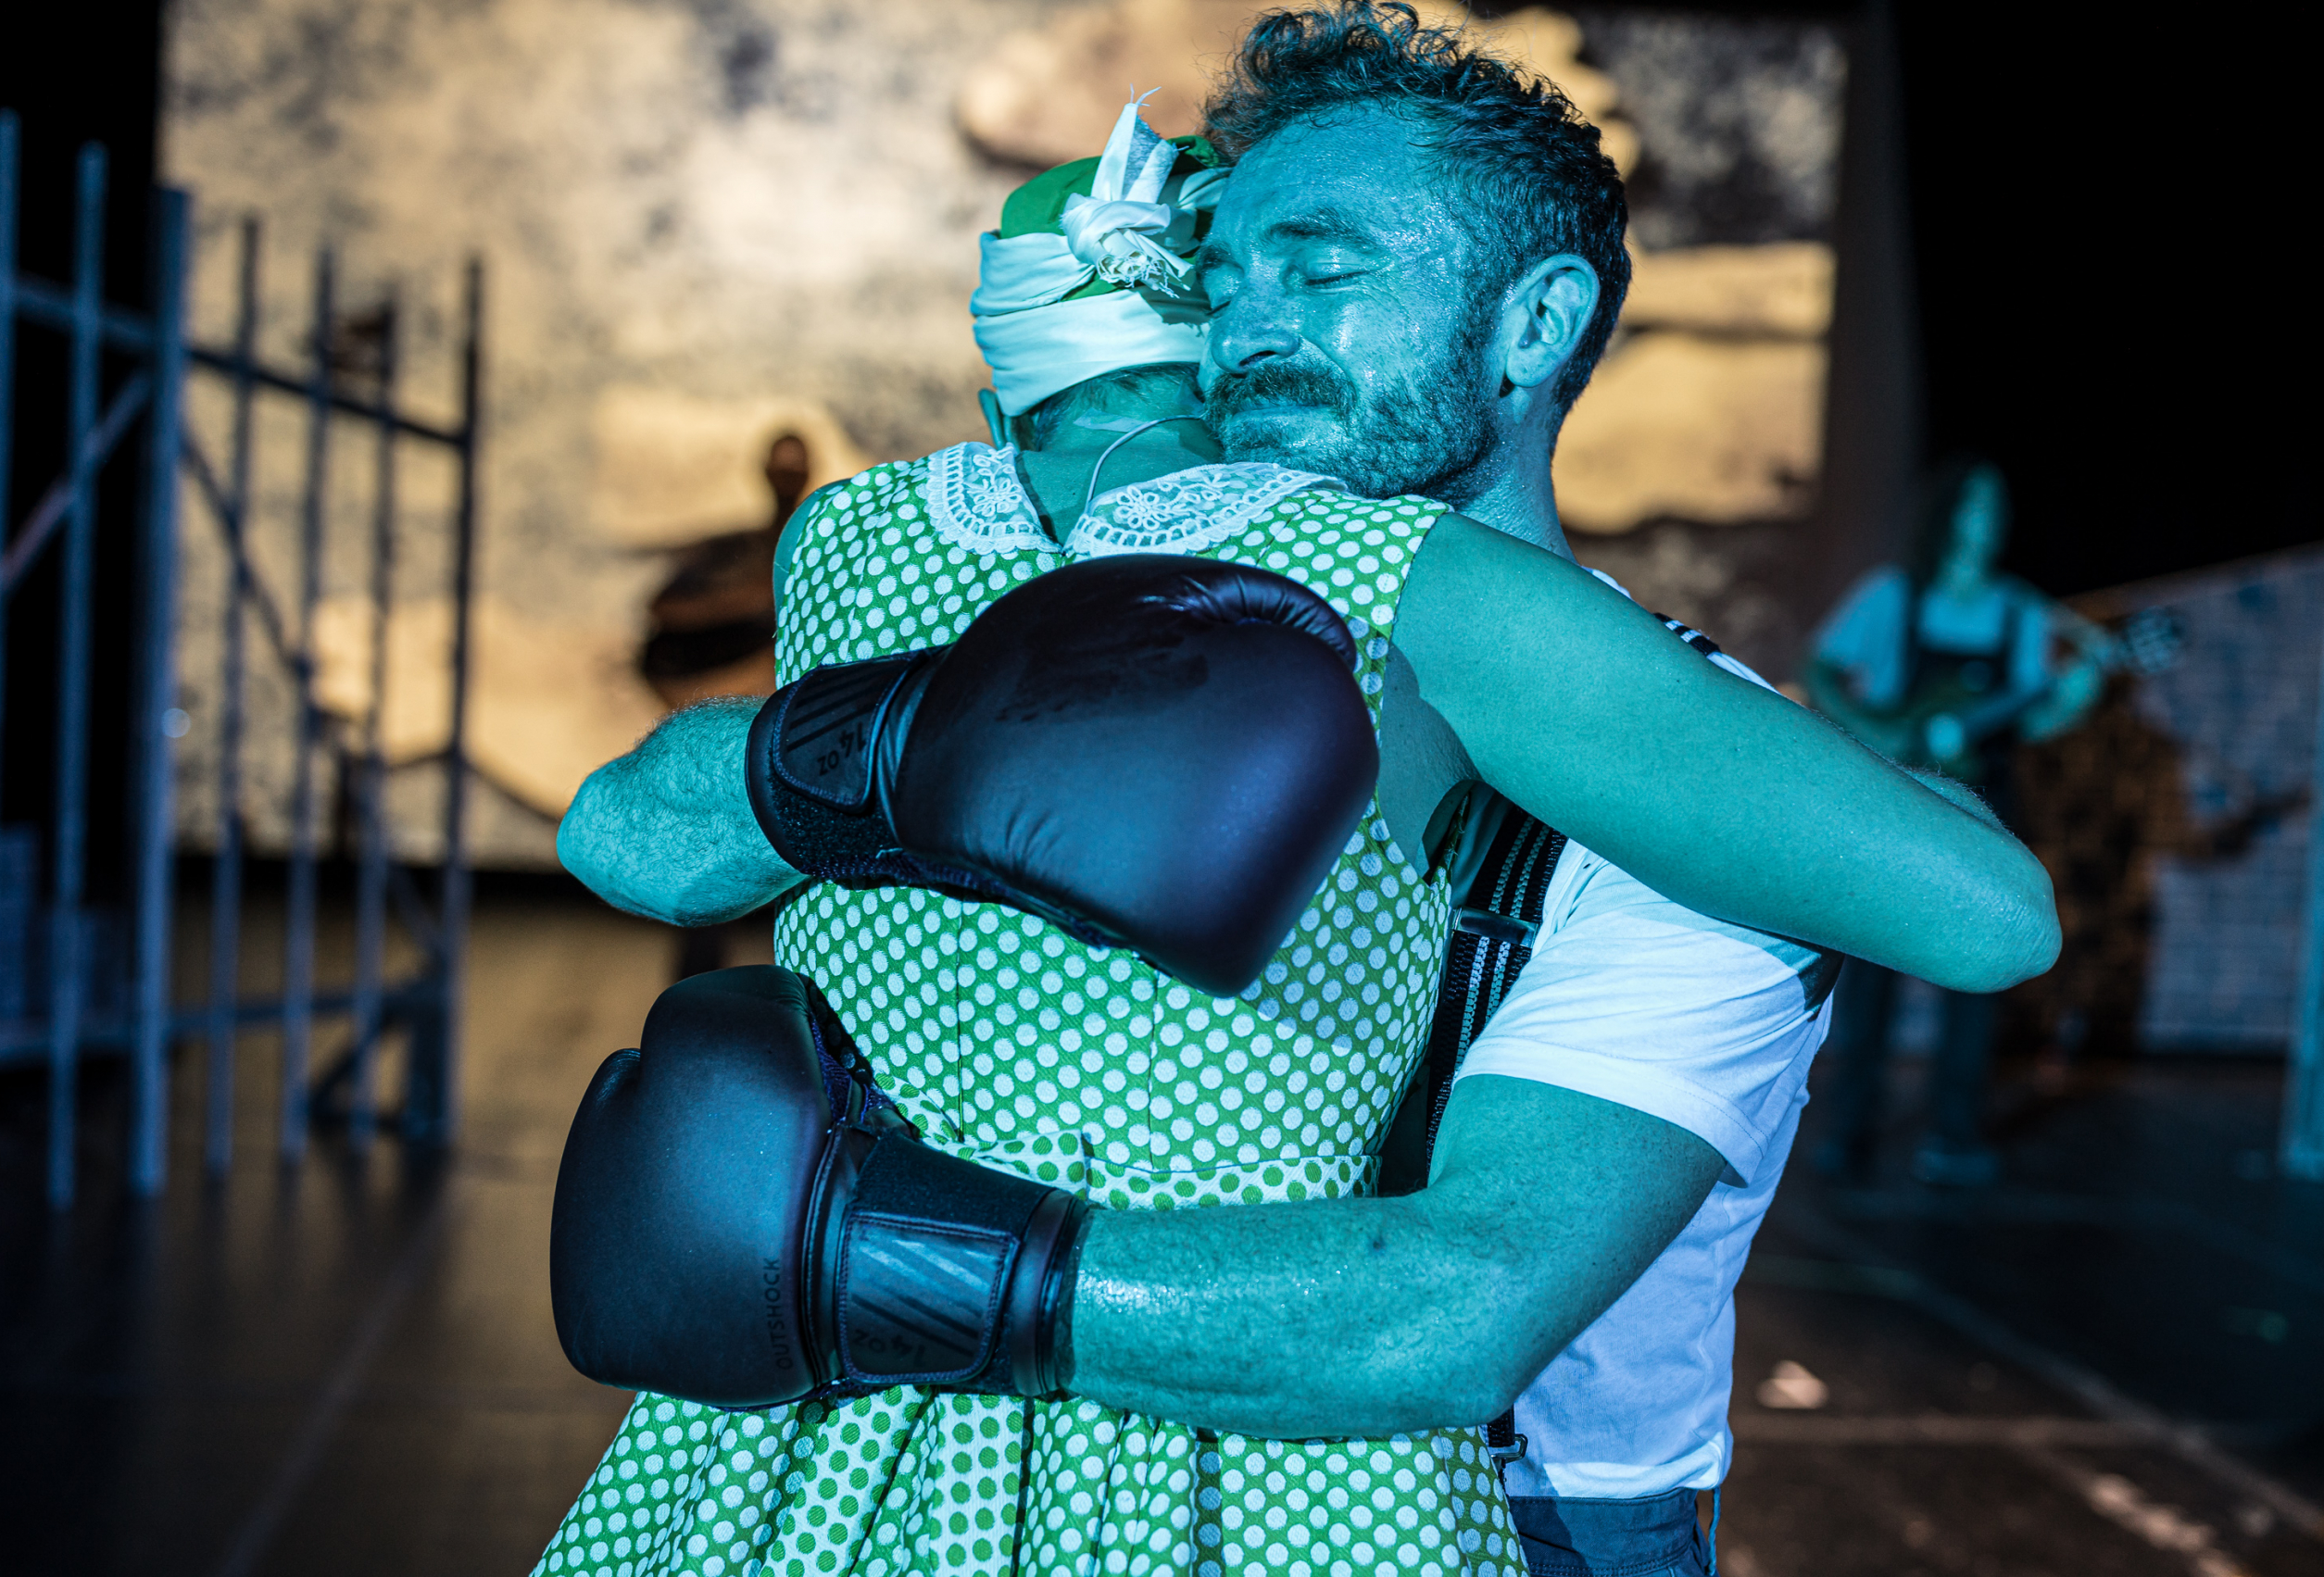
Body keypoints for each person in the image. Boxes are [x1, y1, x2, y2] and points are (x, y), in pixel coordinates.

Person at [534, 9, 2058, 1577]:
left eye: (1323, 272)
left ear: (1533, 328)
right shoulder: (1130, 636)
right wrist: (906, 736)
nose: (1247, 331)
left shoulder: (1682, 789)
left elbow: (1452, 1306)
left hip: (1514, 1511)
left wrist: (878, 1254)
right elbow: (627, 831)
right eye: (1222, 275)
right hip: (1062, 1459)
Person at [1806, 457, 2107, 1184]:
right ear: (1947, 513)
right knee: (1873, 968)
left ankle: (1954, 1130)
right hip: (1899, 803)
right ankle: (1849, 1129)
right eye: (1976, 506)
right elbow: (1821, 668)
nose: (1989, 523)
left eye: (1999, 509)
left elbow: (2034, 717)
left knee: (1980, 969)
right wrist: (1866, 731)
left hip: (1984, 805)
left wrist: (2084, 685)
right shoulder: (1893, 594)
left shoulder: (2021, 610)